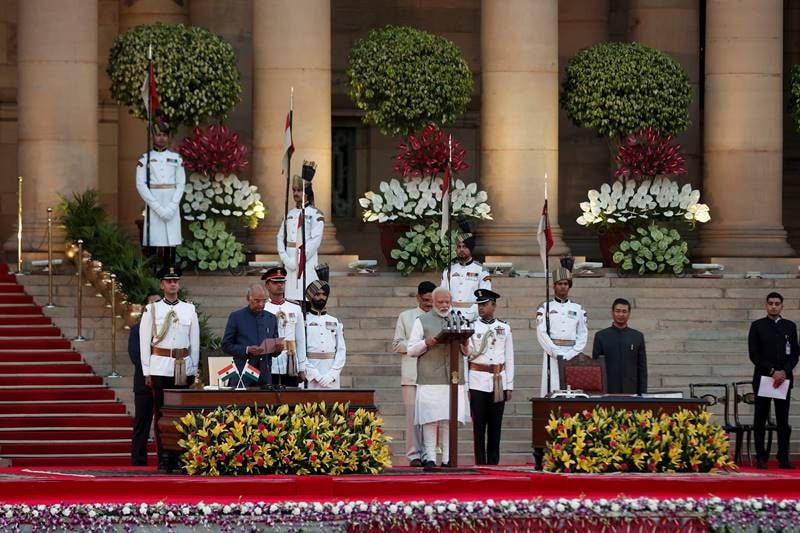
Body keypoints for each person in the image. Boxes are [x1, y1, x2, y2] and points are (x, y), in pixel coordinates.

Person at [139, 266, 199, 470]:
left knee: (181, 413)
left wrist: (193, 368)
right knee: (161, 412)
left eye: (175, 281)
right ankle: (164, 456)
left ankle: (180, 455)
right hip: (160, 366)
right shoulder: (152, 309)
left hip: (182, 365)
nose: (173, 284)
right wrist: (147, 370)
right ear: (162, 285)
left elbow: (194, 341)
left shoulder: (188, 309)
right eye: (169, 281)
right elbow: (144, 341)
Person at [407, 287, 470, 472]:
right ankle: (430, 458)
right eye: (440, 302)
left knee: (449, 420)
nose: (444, 305)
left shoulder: (458, 319)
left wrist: (465, 342)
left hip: (453, 377)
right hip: (430, 377)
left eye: (447, 302)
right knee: (430, 419)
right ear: (433, 302)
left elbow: (469, 352)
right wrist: (426, 342)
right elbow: (411, 350)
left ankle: (449, 459)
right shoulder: (422, 320)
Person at [748, 292, 799, 469]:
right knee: (760, 419)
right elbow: (754, 354)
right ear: (766, 305)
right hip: (764, 378)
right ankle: (761, 457)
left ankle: (783, 457)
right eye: (770, 303)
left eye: (777, 303)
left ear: (782, 306)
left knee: (782, 420)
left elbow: (794, 354)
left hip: (783, 379)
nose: (774, 306)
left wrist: (784, 371)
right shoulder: (757, 326)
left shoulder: (789, 326)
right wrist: (772, 371)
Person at [464, 289, 514, 465]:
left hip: (498, 380)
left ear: (494, 306)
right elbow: (466, 357)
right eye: (479, 305)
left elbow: (509, 357)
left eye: (485, 304)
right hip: (477, 379)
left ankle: (493, 462)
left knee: (495, 425)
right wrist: (466, 385)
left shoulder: (504, 328)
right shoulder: (471, 327)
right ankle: (480, 462)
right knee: (478, 426)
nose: (481, 308)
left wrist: (509, 385)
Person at [392, 280, 436, 467]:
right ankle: (413, 455)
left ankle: (429, 454)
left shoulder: (439, 317)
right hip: (411, 374)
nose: (429, 304)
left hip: (434, 374)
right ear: (418, 297)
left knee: (431, 417)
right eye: (425, 300)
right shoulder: (406, 316)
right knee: (412, 417)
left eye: (432, 300)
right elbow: (397, 344)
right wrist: (419, 345)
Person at [135, 114, 186, 270]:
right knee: (153, 240)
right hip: (153, 203)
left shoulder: (176, 158)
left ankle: (169, 271)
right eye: (158, 135)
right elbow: (141, 185)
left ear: (168, 137)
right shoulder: (144, 159)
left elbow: (181, 183)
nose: (161, 138)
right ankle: (152, 274)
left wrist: (171, 207)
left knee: (171, 241)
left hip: (171, 203)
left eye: (164, 135)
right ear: (153, 137)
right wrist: (156, 207)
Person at [536, 264, 588, 396]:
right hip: (552, 354)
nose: (563, 286)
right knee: (553, 388)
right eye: (560, 284)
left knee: (572, 390)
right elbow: (541, 333)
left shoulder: (578, 308)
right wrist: (555, 352)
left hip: (573, 354)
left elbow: (582, 333)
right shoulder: (545, 307)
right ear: (554, 286)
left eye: (566, 284)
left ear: (569, 286)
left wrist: (573, 352)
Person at [221, 283, 283, 389]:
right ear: (248, 298)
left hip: (264, 376)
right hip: (243, 374)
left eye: (264, 301)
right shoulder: (236, 317)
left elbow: (274, 352)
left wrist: (278, 349)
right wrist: (247, 349)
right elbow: (226, 346)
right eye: (257, 301)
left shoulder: (271, 318)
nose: (261, 304)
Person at [277, 173, 324, 301]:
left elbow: (315, 241)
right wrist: (285, 258)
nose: (296, 193)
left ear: (306, 192)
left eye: (299, 190)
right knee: (289, 298)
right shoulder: (289, 214)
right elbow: (280, 237)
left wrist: (299, 260)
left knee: (306, 297)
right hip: (288, 259)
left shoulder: (315, 214)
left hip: (306, 261)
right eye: (294, 190)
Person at [129, 290, 161, 466]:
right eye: (152, 304)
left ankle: (165, 459)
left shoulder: (170, 328)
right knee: (142, 422)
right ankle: (138, 459)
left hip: (164, 382)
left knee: (163, 422)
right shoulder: (137, 330)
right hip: (144, 383)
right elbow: (135, 356)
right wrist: (152, 371)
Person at [262, 266, 308, 387]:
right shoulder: (263, 308)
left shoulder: (295, 308)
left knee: (291, 395)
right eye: (275, 282)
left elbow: (300, 340)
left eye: (282, 282)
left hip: (290, 360)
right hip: (270, 360)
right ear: (267, 285)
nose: (280, 285)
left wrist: (302, 367)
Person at [592, 298, 647, 394]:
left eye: (624, 311)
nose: (621, 314)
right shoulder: (601, 336)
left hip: (631, 389)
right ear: (612, 313)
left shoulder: (637, 336)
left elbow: (642, 367)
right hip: (608, 389)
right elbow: (596, 367)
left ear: (629, 314)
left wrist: (642, 393)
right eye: (617, 311)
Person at [442, 220, 491, 322]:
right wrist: (449, 313)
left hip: (474, 318)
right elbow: (442, 294)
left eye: (464, 247)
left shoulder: (481, 270)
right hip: (451, 317)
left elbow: (485, 296)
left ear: (471, 249)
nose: (461, 250)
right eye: (459, 247)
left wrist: (470, 315)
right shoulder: (449, 270)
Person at [304, 280, 346, 389]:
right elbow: (300, 352)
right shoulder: (304, 321)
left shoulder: (335, 321)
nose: (321, 297)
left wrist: (332, 375)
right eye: (317, 294)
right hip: (310, 374)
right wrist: (315, 375)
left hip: (331, 374)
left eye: (324, 294)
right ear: (311, 296)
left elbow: (341, 350)